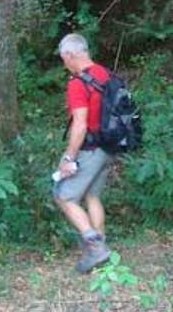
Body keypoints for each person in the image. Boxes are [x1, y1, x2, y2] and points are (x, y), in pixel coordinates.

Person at [53, 33, 113, 273]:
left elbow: (80, 124)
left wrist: (69, 157)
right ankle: (100, 250)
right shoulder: (105, 75)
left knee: (64, 196)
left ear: (70, 54)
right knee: (92, 196)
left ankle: (95, 246)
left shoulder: (79, 83)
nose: (63, 62)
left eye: (63, 57)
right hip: (109, 145)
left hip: (89, 149)